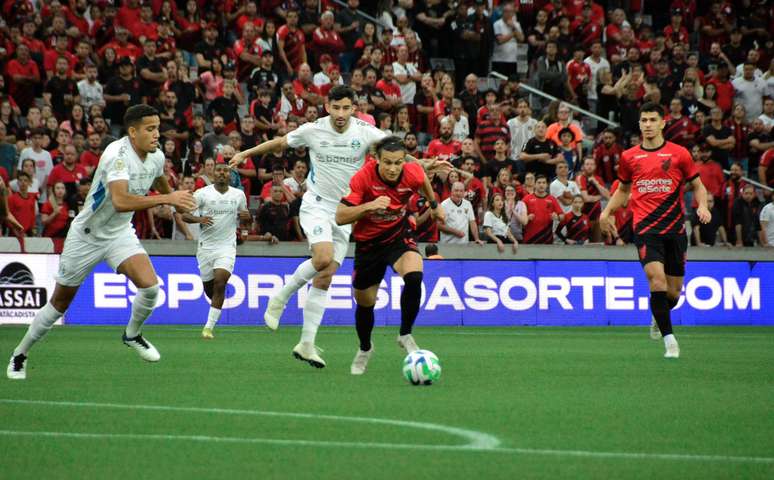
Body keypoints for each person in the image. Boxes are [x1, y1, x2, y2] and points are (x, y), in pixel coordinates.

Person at [7, 105, 196, 380]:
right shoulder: (116, 155)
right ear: (132, 132)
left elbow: (160, 180)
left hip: (120, 233)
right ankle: (20, 354)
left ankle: (132, 334)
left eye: (157, 128)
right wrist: (168, 199)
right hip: (87, 235)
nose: (157, 135)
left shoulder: (155, 155)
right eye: (150, 129)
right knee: (60, 303)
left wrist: (179, 204)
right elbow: (120, 201)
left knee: (151, 288)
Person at [230, 86, 401, 368]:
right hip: (317, 205)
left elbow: (398, 154)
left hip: (345, 212)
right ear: (327, 106)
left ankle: (306, 343)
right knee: (322, 259)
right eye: (336, 108)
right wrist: (245, 153)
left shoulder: (365, 132)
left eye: (347, 108)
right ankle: (281, 297)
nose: (341, 114)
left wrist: (426, 166)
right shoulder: (314, 129)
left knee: (325, 276)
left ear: (354, 109)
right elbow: (279, 143)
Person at [600, 102, 711, 359]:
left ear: (663, 123)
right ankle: (670, 341)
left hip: (675, 229)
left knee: (673, 292)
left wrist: (703, 206)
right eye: (644, 120)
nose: (648, 125)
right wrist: (607, 212)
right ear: (639, 124)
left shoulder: (679, 154)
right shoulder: (629, 157)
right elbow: (623, 191)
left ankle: (658, 315)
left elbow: (698, 186)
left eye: (652, 120)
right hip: (646, 229)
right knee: (657, 281)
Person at [336, 136, 445, 375]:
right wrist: (368, 206)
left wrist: (435, 206)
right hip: (368, 244)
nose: (393, 168)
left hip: (398, 234)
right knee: (366, 302)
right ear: (377, 160)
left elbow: (423, 178)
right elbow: (340, 216)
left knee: (415, 276)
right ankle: (365, 348)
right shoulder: (362, 178)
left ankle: (405, 334)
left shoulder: (412, 171)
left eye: (398, 163)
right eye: (388, 163)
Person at [182, 161, 250, 339]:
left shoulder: (238, 195)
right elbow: (185, 215)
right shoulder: (202, 194)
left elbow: (245, 221)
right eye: (218, 170)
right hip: (205, 248)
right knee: (210, 290)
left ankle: (208, 328)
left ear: (230, 175)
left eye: (225, 171)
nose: (221, 173)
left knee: (221, 282)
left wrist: (247, 221)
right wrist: (199, 220)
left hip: (227, 247)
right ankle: (214, 308)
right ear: (212, 173)